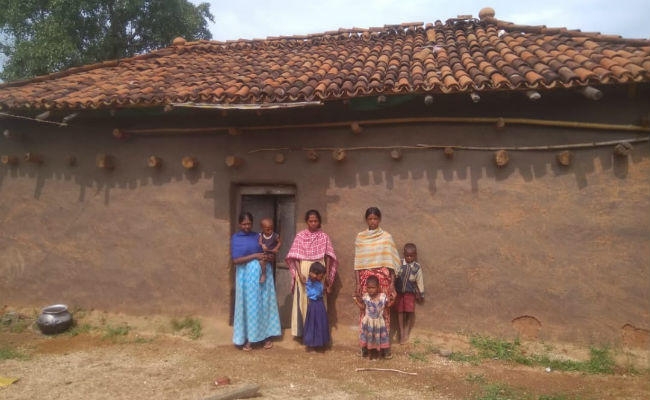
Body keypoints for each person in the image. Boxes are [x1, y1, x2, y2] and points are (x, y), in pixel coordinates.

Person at [230, 212, 281, 351]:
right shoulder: (236, 238)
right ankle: (249, 338)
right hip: (245, 278)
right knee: (249, 306)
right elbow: (236, 260)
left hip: (262, 276)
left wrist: (267, 257)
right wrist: (255, 255)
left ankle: (266, 336)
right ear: (239, 224)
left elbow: (268, 253)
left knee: (264, 304)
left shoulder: (258, 236)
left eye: (249, 224)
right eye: (244, 224)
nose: (247, 226)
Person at [353, 206, 400, 359]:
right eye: (370, 219)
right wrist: (358, 284)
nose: (372, 221)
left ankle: (384, 347)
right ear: (366, 220)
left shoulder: (386, 237)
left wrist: (392, 284)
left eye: (375, 218)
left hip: (383, 280)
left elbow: (391, 263)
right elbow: (357, 263)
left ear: (379, 219)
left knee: (384, 312)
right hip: (366, 281)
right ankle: (365, 346)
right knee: (365, 313)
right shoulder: (361, 237)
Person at [285, 209, 339, 339]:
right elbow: (295, 257)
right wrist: (299, 274)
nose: (313, 223)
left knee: (318, 301)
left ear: (319, 222)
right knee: (303, 301)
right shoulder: (300, 236)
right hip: (304, 271)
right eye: (311, 221)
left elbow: (328, 257)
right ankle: (304, 332)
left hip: (320, 272)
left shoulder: (324, 237)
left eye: (316, 221)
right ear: (306, 222)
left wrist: (326, 275)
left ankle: (318, 334)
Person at [353, 275, 389, 359]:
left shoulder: (382, 297)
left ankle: (379, 354)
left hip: (379, 322)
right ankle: (369, 354)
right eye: (369, 288)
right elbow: (363, 307)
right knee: (369, 337)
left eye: (373, 288)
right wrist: (356, 301)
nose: (371, 290)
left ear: (378, 287)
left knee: (379, 337)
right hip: (368, 322)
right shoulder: (366, 297)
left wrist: (393, 299)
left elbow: (387, 305)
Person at [395, 243, 425, 344]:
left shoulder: (417, 267)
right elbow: (394, 275)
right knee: (400, 312)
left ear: (415, 255)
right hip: (399, 293)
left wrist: (421, 293)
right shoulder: (399, 263)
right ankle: (401, 332)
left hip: (410, 294)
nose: (409, 258)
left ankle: (407, 330)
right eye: (407, 256)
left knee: (409, 312)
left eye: (411, 256)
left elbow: (420, 280)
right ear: (404, 254)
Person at [302, 261, 331, 350]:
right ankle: (312, 342)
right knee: (313, 324)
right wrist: (314, 273)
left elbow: (322, 291)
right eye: (321, 276)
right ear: (314, 274)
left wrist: (327, 289)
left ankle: (319, 342)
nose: (322, 278)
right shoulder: (310, 281)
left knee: (320, 323)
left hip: (320, 304)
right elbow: (311, 275)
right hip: (313, 305)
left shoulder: (319, 282)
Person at [258, 217, 281, 284]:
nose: (270, 231)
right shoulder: (261, 235)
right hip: (265, 252)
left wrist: (276, 248)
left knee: (264, 260)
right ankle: (263, 273)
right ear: (262, 228)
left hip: (271, 252)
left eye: (271, 229)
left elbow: (279, 242)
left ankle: (264, 274)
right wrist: (262, 245)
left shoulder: (274, 235)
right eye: (267, 229)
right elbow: (260, 242)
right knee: (261, 261)